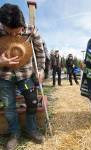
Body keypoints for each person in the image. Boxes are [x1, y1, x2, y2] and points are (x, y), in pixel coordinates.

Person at [0, 3, 45, 150]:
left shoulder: (31, 31)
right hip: (4, 76)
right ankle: (15, 133)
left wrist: (42, 69)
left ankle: (31, 129)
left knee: (32, 101)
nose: (13, 35)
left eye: (17, 31)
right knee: (9, 106)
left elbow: (40, 52)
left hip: (25, 75)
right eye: (9, 31)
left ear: (22, 24)